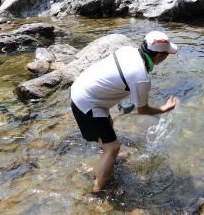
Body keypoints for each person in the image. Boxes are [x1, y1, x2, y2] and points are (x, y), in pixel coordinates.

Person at [70, 31, 179, 192]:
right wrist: (164, 109)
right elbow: (143, 110)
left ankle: (104, 159)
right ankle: (96, 190)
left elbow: (114, 78)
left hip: (80, 89)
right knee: (113, 148)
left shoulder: (128, 51)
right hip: (87, 103)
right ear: (160, 56)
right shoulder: (141, 77)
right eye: (167, 54)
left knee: (109, 126)